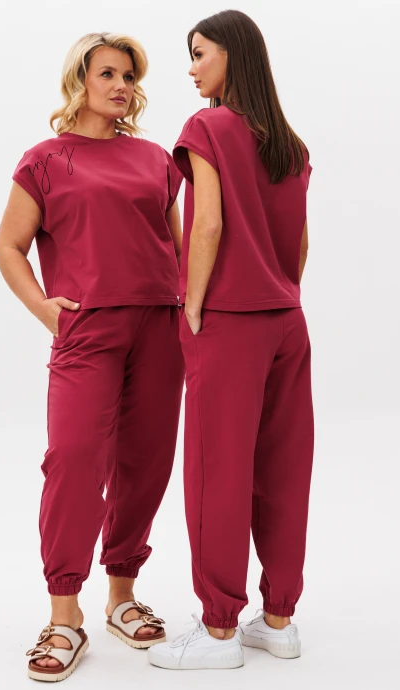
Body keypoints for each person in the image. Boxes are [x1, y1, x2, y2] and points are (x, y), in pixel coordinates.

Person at [0, 32, 185, 682]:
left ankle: (122, 595)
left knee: (147, 460)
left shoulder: (155, 159)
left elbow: (177, 245)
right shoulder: (45, 160)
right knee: (74, 459)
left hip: (159, 324)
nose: (121, 86)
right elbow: (9, 245)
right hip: (86, 329)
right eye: (107, 73)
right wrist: (46, 309)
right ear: (79, 80)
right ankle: (64, 614)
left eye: (128, 76)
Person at [148, 10, 314, 671]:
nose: (191, 69)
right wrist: (281, 292)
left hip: (229, 321)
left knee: (217, 472)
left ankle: (218, 631)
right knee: (282, 471)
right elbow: (300, 244)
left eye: (200, 53)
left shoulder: (207, 128)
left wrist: (192, 305)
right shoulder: (290, 144)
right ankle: (278, 621)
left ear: (233, 55)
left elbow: (207, 226)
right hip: (288, 319)